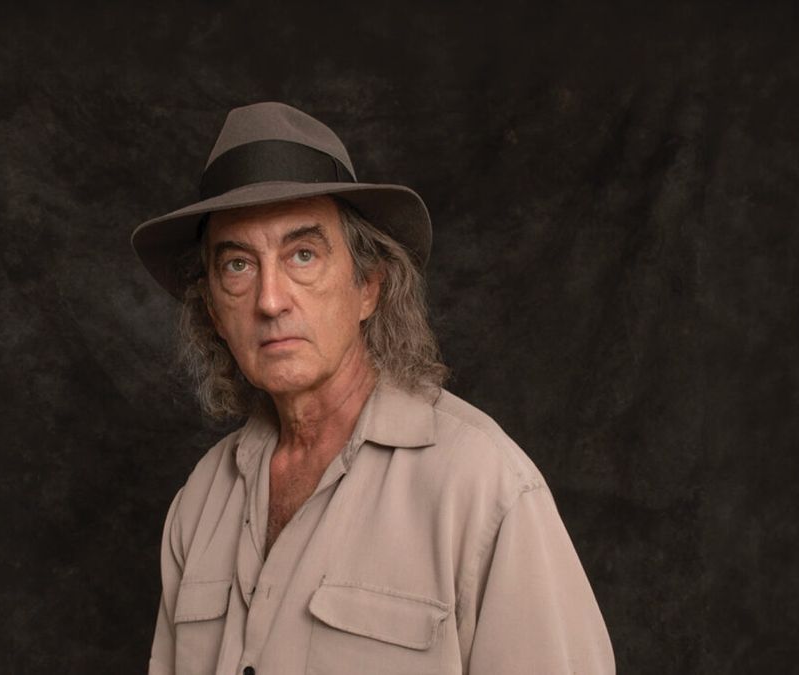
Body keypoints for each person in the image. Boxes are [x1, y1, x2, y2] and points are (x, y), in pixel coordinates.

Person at [132, 101, 614, 674]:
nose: (270, 300)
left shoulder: (484, 488)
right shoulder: (200, 500)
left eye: (303, 255)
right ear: (213, 309)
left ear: (369, 287)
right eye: (238, 265)